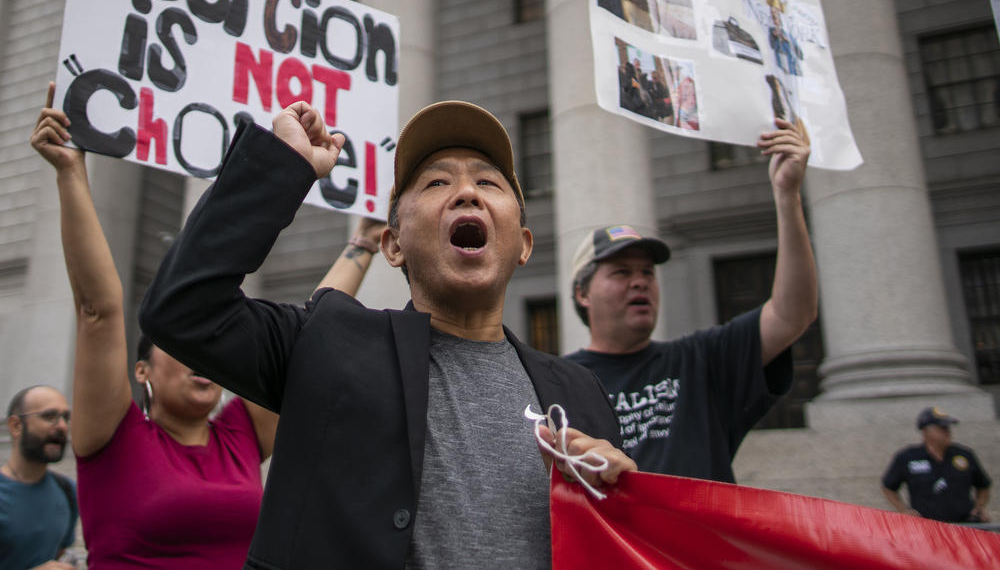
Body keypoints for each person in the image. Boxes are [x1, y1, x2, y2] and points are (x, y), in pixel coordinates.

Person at [139, 99, 635, 569]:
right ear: (393, 245)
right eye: (437, 182)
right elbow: (183, 309)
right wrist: (281, 167)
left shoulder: (580, 392)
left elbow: (621, 546)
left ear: (523, 245)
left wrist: (624, 498)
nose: (467, 192)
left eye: (488, 182)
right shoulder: (330, 340)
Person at [30, 84, 383, 569]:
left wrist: (362, 245)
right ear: (141, 372)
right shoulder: (113, 438)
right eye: (181, 349)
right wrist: (71, 172)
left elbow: (317, 335)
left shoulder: (239, 433)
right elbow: (99, 309)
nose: (203, 362)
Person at [565, 118, 817, 482]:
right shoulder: (558, 383)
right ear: (582, 293)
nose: (640, 282)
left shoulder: (700, 362)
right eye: (621, 272)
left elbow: (793, 315)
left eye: (648, 273)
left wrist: (787, 195)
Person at [1, 386, 77, 570]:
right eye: (49, 417)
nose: (62, 427)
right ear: (16, 426)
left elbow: (60, 554)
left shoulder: (67, 490)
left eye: (65, 418)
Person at [881, 407, 992, 523]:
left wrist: (978, 507)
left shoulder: (964, 455)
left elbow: (983, 485)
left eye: (948, 428)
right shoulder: (908, 457)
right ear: (925, 431)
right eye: (942, 428)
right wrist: (904, 510)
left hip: (963, 526)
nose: (947, 431)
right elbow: (888, 487)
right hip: (927, 527)